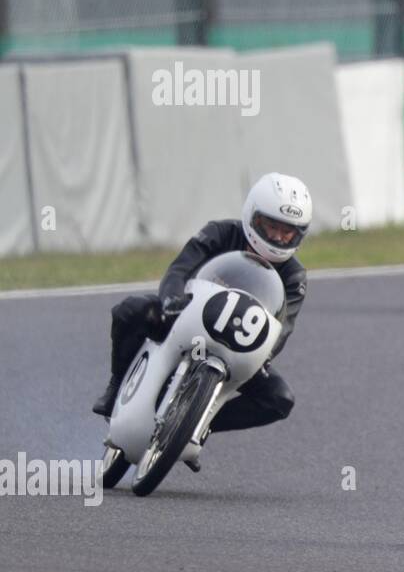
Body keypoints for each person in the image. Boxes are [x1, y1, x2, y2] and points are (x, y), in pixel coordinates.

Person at [92, 174, 312, 457]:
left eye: (288, 232)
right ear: (253, 217)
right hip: (186, 318)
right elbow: (179, 269)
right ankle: (115, 386)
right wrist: (171, 299)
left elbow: (282, 328)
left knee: (280, 399)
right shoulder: (220, 233)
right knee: (130, 310)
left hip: (240, 346)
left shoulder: (294, 277)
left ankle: (202, 423)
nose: (279, 237)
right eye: (271, 226)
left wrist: (264, 356)